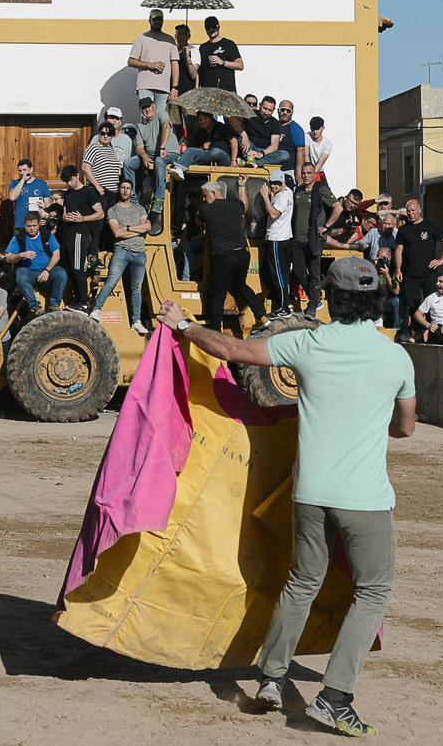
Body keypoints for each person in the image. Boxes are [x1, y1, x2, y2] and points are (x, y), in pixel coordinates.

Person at [155, 255, 416, 738]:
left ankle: (272, 679)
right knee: (373, 591)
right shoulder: (394, 356)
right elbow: (405, 428)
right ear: (376, 299)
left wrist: (184, 324)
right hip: (364, 497)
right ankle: (335, 698)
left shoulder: (307, 343)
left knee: (301, 582)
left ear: (331, 300)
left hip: (310, 491)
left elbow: (232, 349)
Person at [200, 178, 267, 331]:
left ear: (213, 193)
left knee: (218, 294)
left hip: (222, 257)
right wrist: (242, 187)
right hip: (242, 255)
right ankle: (263, 317)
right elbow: (244, 205)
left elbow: (200, 220)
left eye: (205, 196)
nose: (204, 199)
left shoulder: (206, 209)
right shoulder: (235, 205)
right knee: (241, 285)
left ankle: (216, 331)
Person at [90, 179, 151, 335]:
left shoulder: (140, 209)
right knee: (111, 281)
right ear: (119, 190)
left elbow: (148, 227)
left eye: (128, 188)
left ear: (131, 191)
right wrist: (138, 231)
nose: (125, 190)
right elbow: (117, 233)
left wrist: (129, 228)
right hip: (121, 251)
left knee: (137, 289)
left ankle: (136, 321)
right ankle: (96, 310)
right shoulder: (113, 210)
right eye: (123, 188)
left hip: (139, 253)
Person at [291, 162, 344, 319]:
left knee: (314, 272)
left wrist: (326, 226)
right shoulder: (298, 190)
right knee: (299, 272)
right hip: (298, 239)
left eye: (309, 173)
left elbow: (338, 208)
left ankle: (313, 305)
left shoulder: (321, 189)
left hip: (314, 238)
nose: (306, 175)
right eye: (303, 173)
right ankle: (315, 297)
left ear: (314, 174)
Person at [394, 198, 443, 341]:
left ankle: (435, 333)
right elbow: (399, 250)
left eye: (413, 210)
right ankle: (414, 332)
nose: (410, 213)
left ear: (419, 210)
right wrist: (398, 269)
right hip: (410, 274)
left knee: (432, 303)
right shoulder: (403, 229)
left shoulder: (430, 225)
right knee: (410, 304)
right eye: (408, 210)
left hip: (428, 274)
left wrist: (441, 259)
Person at [241, 169, 293, 318]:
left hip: (277, 239)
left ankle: (284, 308)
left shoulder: (282, 197)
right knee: (270, 273)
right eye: (272, 184)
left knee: (278, 275)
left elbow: (273, 213)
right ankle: (281, 303)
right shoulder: (288, 191)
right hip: (279, 238)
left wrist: (265, 197)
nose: (273, 187)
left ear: (282, 183)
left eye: (277, 184)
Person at [59, 166, 105, 309]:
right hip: (68, 233)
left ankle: (83, 302)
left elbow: (101, 213)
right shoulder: (67, 195)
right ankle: (77, 299)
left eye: (71, 180)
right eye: (66, 181)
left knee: (78, 267)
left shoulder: (88, 193)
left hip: (81, 233)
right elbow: (64, 214)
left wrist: (83, 218)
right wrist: (65, 218)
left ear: (77, 176)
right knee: (70, 267)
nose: (69, 183)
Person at [4, 211, 68, 315]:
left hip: (47, 270)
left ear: (39, 224)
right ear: (24, 225)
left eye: (34, 225)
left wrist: (47, 270)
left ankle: (54, 304)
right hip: (29, 271)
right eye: (28, 226)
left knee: (61, 274)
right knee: (20, 276)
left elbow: (57, 254)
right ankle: (34, 306)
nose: (32, 228)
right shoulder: (18, 238)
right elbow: (8, 258)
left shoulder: (47, 235)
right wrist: (20, 255)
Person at [127, 97, 180, 216]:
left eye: (148, 107)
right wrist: (144, 156)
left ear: (154, 106)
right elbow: (139, 148)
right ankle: (132, 196)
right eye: (143, 108)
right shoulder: (141, 125)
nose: (146, 110)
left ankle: (159, 199)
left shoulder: (162, 114)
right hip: (150, 155)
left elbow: (166, 126)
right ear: (141, 111)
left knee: (160, 161)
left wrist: (162, 147)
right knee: (128, 163)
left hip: (169, 153)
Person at [127, 8, 179, 129]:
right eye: (155, 19)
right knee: (145, 118)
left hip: (163, 87)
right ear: (149, 20)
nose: (157, 22)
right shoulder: (141, 38)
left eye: (160, 19)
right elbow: (130, 61)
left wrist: (174, 87)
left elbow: (175, 64)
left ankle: (159, 146)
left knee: (161, 118)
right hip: (145, 85)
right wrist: (150, 65)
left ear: (163, 21)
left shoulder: (170, 39)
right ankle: (144, 146)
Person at [170, 111, 238, 176]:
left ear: (211, 118)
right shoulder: (200, 133)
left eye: (205, 118)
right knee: (190, 150)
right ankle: (179, 168)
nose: (203, 121)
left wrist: (233, 160)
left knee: (215, 151)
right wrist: (202, 147)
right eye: (200, 120)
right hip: (208, 158)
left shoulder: (221, 127)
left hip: (224, 158)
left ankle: (186, 161)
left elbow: (234, 141)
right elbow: (195, 149)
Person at [239, 95, 290, 167]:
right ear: (260, 105)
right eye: (265, 108)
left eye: (270, 110)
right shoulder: (249, 114)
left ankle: (252, 163)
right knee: (239, 137)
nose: (266, 112)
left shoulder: (275, 123)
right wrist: (244, 137)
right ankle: (250, 160)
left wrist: (261, 153)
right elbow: (233, 120)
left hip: (264, 151)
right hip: (249, 147)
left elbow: (274, 145)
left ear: (274, 110)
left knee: (284, 155)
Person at [82, 121, 123, 211]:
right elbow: (85, 168)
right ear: (99, 133)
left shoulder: (111, 150)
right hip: (100, 192)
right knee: (100, 221)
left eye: (109, 134)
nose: (105, 136)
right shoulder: (93, 148)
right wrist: (97, 186)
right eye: (103, 133)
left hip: (113, 193)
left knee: (110, 222)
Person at [198, 16, 243, 91]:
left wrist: (222, 62)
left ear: (218, 27)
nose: (211, 29)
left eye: (213, 27)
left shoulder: (229, 44)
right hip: (207, 91)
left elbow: (240, 65)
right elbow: (199, 71)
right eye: (208, 27)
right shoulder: (203, 47)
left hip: (226, 91)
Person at [7, 159, 51, 231]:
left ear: (31, 170)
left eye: (24, 170)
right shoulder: (15, 183)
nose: (22, 173)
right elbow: (12, 197)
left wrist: (44, 207)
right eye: (20, 170)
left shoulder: (41, 183)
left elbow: (48, 205)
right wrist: (22, 180)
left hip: (36, 225)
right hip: (21, 225)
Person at [277, 100, 307, 180]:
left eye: (288, 111)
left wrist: (298, 174)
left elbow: (301, 152)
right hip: (273, 169)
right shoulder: (274, 125)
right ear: (278, 110)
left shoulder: (296, 129)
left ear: (292, 113)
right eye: (282, 110)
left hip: (288, 170)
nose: (285, 112)